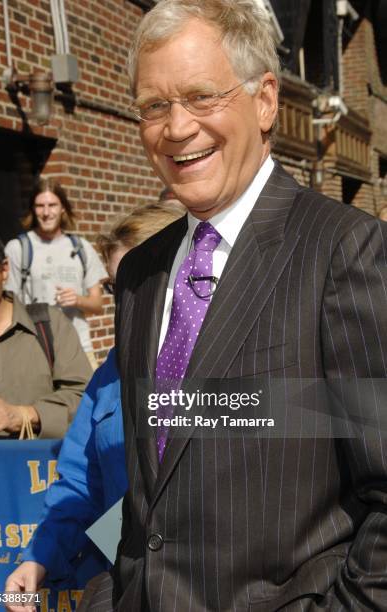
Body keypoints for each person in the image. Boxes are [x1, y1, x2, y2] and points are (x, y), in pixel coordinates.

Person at [113, 1, 387, 611]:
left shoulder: (343, 250)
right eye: (153, 106)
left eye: (202, 96)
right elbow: (148, 494)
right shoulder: (139, 275)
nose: (176, 128)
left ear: (265, 100)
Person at [4, 200, 186, 611]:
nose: (125, 301)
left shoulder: (233, 362)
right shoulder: (111, 371)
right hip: (125, 583)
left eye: (138, 283)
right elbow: (79, 481)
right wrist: (38, 559)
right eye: (114, 287)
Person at [0, 227, 91, 439]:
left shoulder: (48, 325)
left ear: (4, 270)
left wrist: (24, 415)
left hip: (39, 469)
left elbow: (84, 397)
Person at [5, 179, 107, 370]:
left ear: (62, 208)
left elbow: (98, 305)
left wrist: (77, 300)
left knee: (88, 400)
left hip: (79, 348)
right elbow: (9, 305)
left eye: (52, 205)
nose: (46, 212)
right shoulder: (18, 248)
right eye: (40, 206)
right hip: (35, 350)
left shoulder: (81, 247)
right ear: (32, 210)